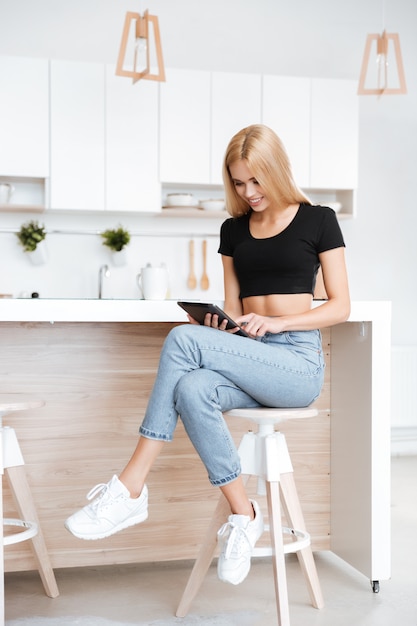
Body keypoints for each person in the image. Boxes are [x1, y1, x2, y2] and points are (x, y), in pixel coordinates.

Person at [65, 124, 350, 586]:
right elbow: (235, 308)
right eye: (239, 182)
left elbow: (341, 305)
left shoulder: (319, 219)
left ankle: (131, 487)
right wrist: (222, 328)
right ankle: (244, 515)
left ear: (277, 171)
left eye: (256, 180)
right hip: (249, 353)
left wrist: (280, 322)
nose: (248, 192)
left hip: (297, 364)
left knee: (182, 339)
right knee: (193, 387)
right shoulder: (233, 230)